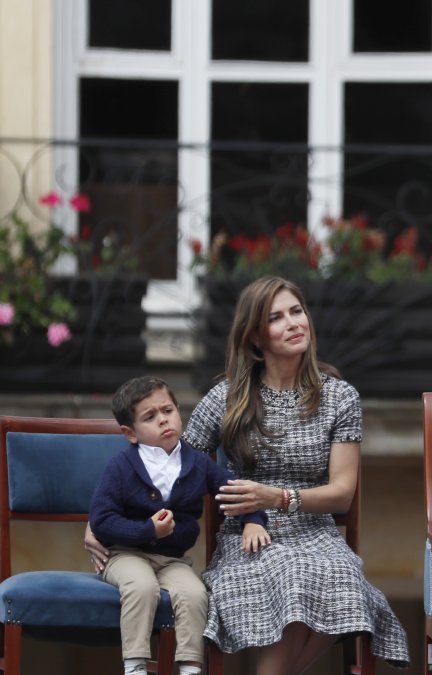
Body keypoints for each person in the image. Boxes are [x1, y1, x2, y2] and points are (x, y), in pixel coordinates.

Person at [88, 277, 410, 674]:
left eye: (297, 311)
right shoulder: (228, 396)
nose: (293, 323)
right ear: (256, 338)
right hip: (247, 537)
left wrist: (276, 497)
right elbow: (170, 463)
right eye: (277, 318)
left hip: (316, 533)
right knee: (289, 573)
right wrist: (104, 525)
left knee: (346, 581)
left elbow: (342, 493)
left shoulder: (339, 397)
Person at [91, 375, 270, 675]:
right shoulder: (121, 467)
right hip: (125, 554)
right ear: (130, 433)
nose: (163, 420)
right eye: (150, 417)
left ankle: (190, 666)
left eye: (168, 410)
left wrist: (252, 520)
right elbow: (102, 520)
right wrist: (147, 531)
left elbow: (232, 489)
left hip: (173, 560)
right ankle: (135, 665)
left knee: (195, 594)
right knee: (142, 586)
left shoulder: (197, 462)